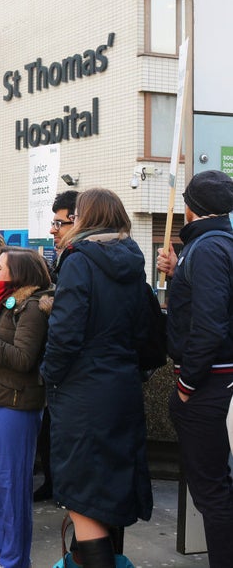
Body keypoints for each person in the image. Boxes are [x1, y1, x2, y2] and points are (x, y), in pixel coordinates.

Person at [40, 188, 152, 568]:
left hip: (83, 393)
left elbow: (65, 335)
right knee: (107, 494)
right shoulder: (134, 261)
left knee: (83, 494)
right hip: (120, 387)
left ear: (85, 217)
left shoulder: (79, 260)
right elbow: (145, 332)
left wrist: (49, 376)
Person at [156, 170, 233, 568]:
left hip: (208, 384)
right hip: (216, 380)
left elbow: (208, 324)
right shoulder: (211, 247)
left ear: (190, 208)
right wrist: (177, 271)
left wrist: (187, 383)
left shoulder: (206, 251)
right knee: (216, 487)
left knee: (212, 491)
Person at [0, 247, 53, 568]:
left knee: (12, 484)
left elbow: (22, 358)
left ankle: (15, 559)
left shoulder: (31, 307)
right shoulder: (5, 301)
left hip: (17, 405)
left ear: (18, 274)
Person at [34, 189, 79, 504]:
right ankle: (55, 484)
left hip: (75, 379)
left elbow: (70, 327)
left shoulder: (79, 262)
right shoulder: (70, 261)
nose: (52, 229)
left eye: (59, 223)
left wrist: (50, 371)